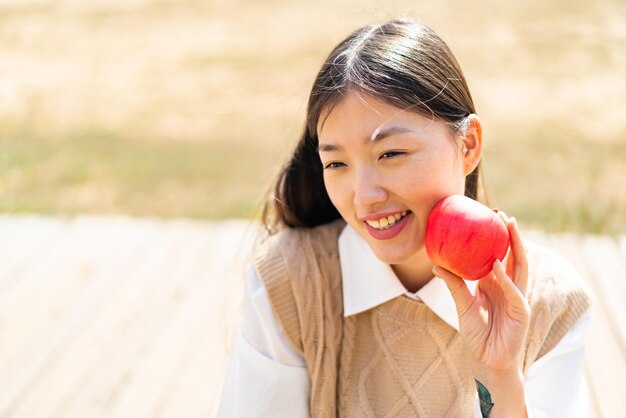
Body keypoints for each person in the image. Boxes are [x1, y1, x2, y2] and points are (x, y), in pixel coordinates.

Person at [218, 18, 592, 418]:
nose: (365, 196)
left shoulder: (549, 302)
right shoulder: (291, 282)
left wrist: (499, 377)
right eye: (337, 163)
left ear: (468, 145)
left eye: (390, 154)